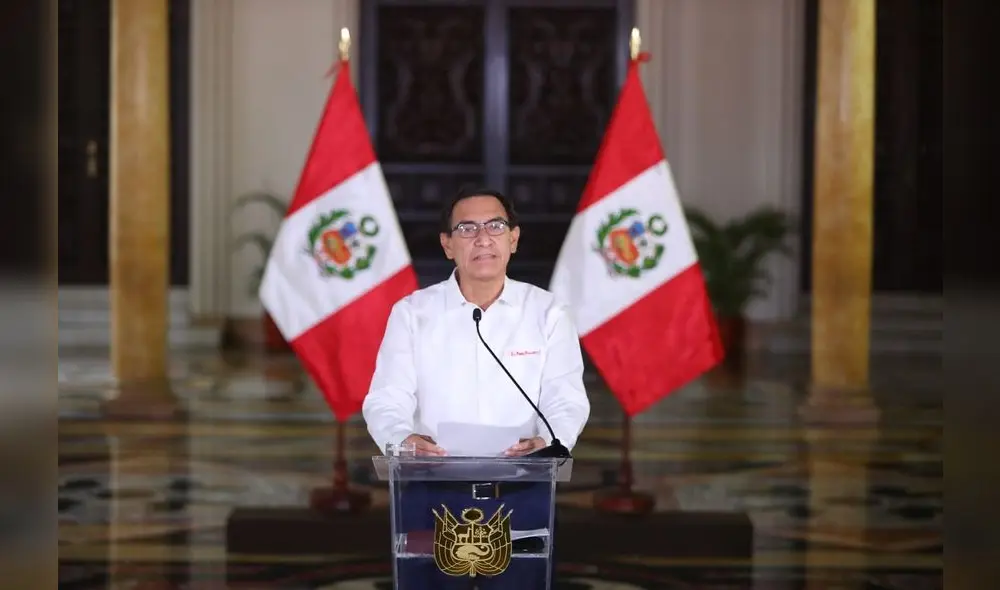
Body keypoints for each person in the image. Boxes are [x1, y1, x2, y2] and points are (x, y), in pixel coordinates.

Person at [362, 186, 590, 588]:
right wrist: (402, 438)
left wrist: (553, 440)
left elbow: (565, 395)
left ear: (513, 239)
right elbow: (387, 397)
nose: (483, 238)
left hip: (523, 488)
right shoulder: (414, 313)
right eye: (467, 229)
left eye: (495, 226)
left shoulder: (548, 313)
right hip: (430, 488)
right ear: (448, 245)